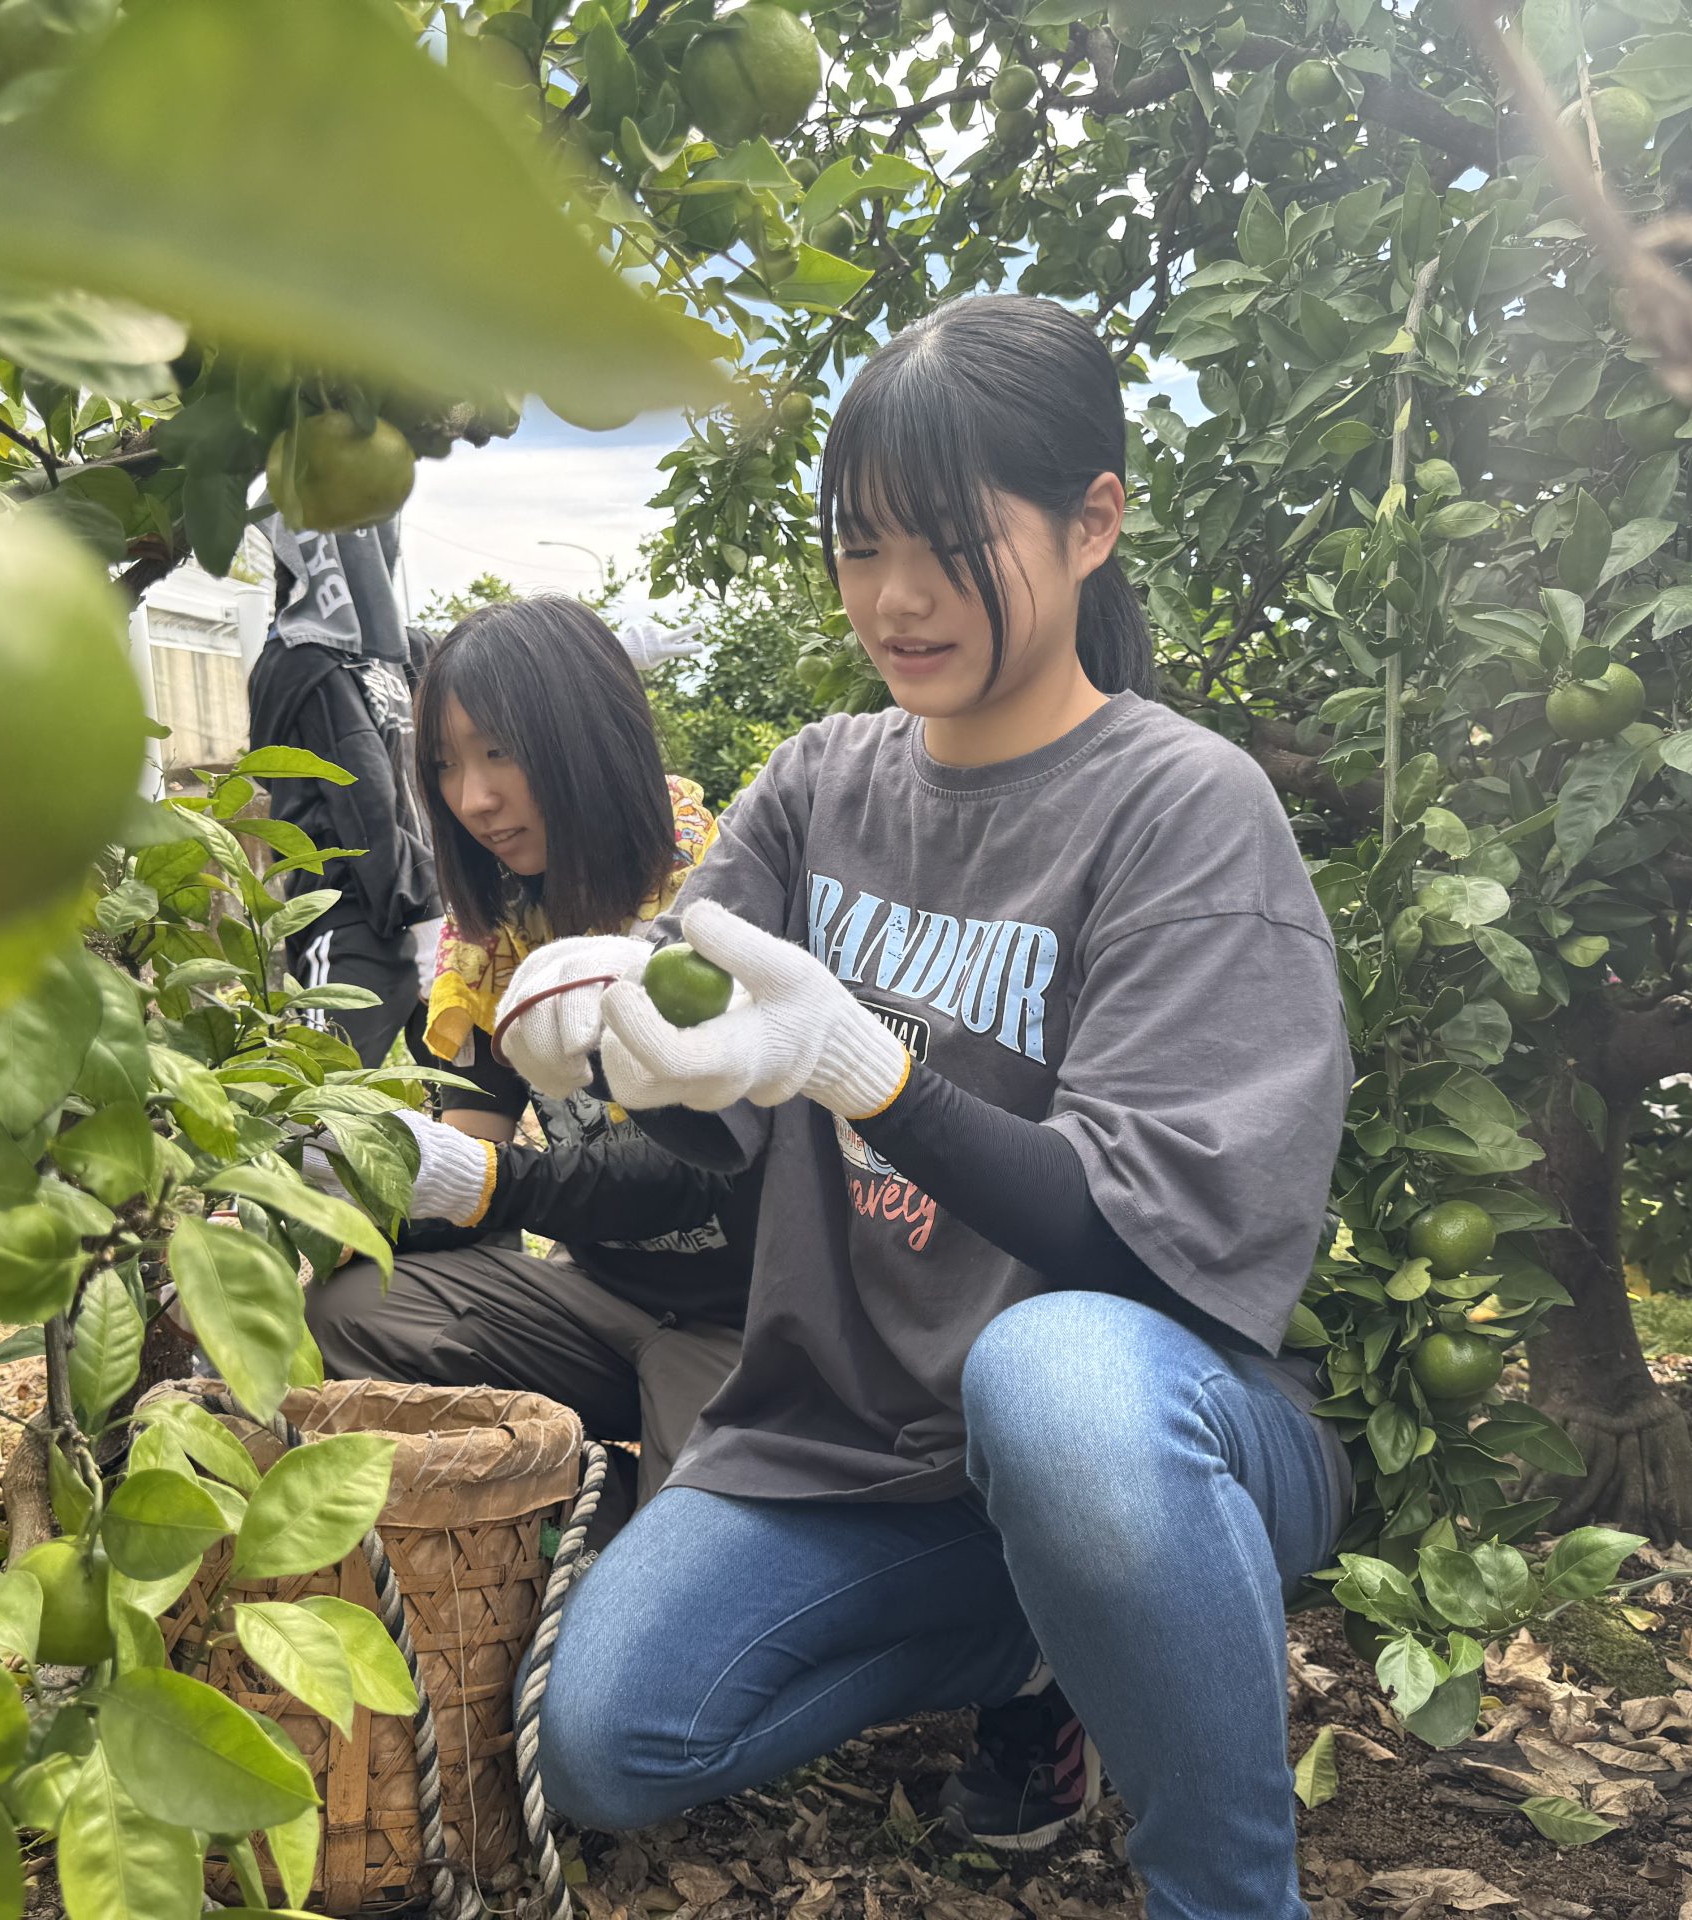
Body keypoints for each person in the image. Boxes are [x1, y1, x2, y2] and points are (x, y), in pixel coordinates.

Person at [497, 296, 1354, 1909]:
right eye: (860, 545)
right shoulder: (819, 786)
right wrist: (598, 1041)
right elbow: (705, 1100)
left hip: (1159, 1421)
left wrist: (865, 1073)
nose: (895, 599)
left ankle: (1226, 1885)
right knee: (606, 1737)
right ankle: (1060, 1637)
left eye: (951, 546)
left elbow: (1128, 1237)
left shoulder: (1183, 812)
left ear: (1093, 521)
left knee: (1056, 1388)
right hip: (865, 1446)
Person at [302, 597, 755, 1534]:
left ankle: (617, 1511)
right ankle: (580, 1493)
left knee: (674, 1591)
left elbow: (698, 1175)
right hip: (603, 1304)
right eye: (446, 766)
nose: (473, 800)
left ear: (591, 735)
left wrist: (483, 1182)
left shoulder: (719, 901)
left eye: (500, 751)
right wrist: (316, 1217)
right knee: (353, 1308)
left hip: (749, 1325)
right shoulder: (496, 945)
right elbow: (472, 1142)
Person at [246, 514, 444, 1068]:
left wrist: (613, 649)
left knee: (473, 1099)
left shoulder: (393, 650)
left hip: (431, 906)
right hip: (351, 913)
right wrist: (426, 914)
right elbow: (362, 793)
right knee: (316, 1104)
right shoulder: (304, 657)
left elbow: (479, 662)